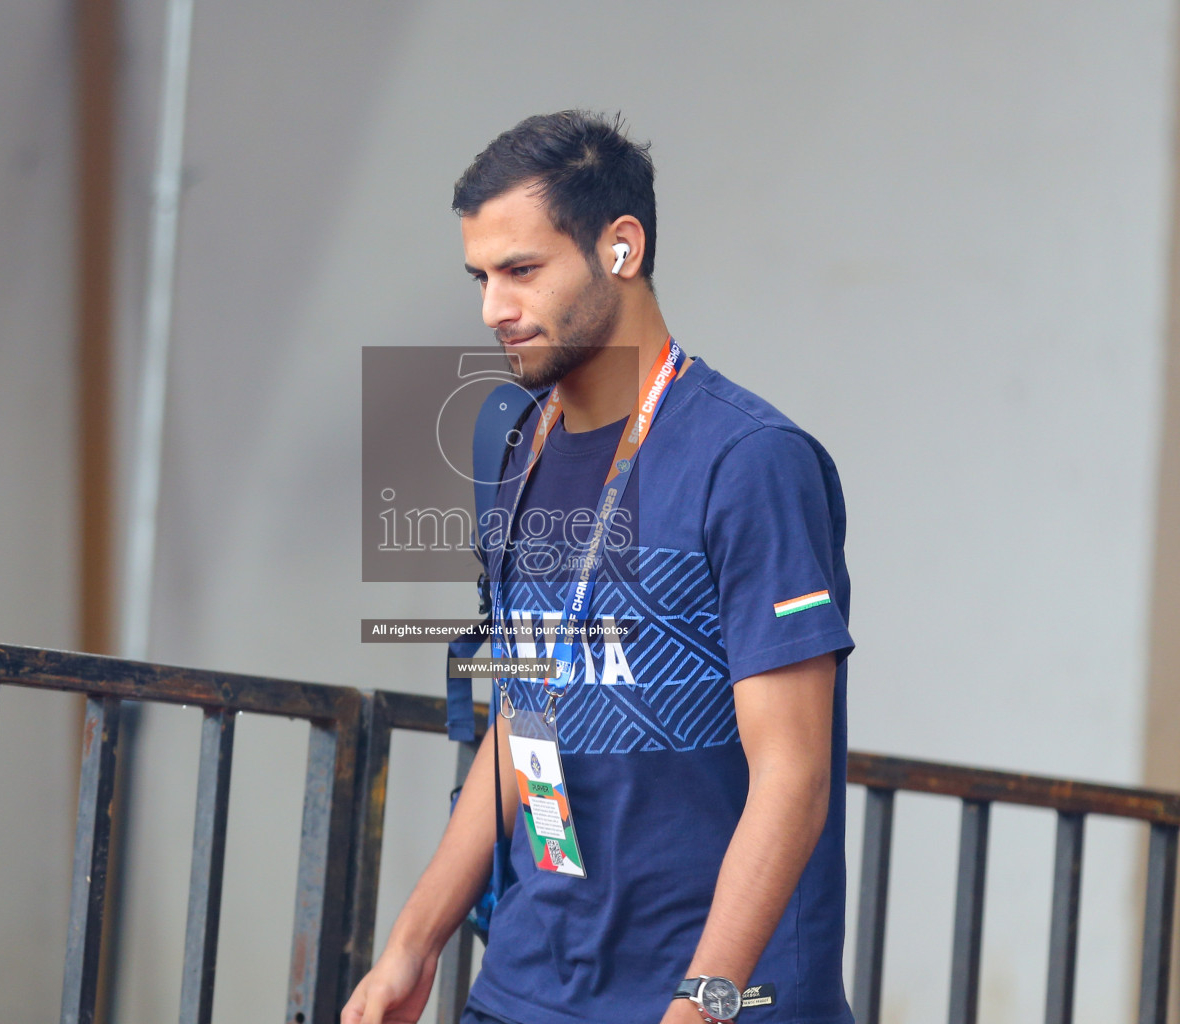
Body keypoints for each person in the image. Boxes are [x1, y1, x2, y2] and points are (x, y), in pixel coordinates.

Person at [343, 110, 855, 1024]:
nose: (493, 308)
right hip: (529, 989)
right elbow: (521, 714)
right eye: (482, 276)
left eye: (523, 270)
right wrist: (409, 947)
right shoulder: (510, 441)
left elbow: (793, 775)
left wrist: (701, 1006)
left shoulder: (750, 461)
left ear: (621, 248)